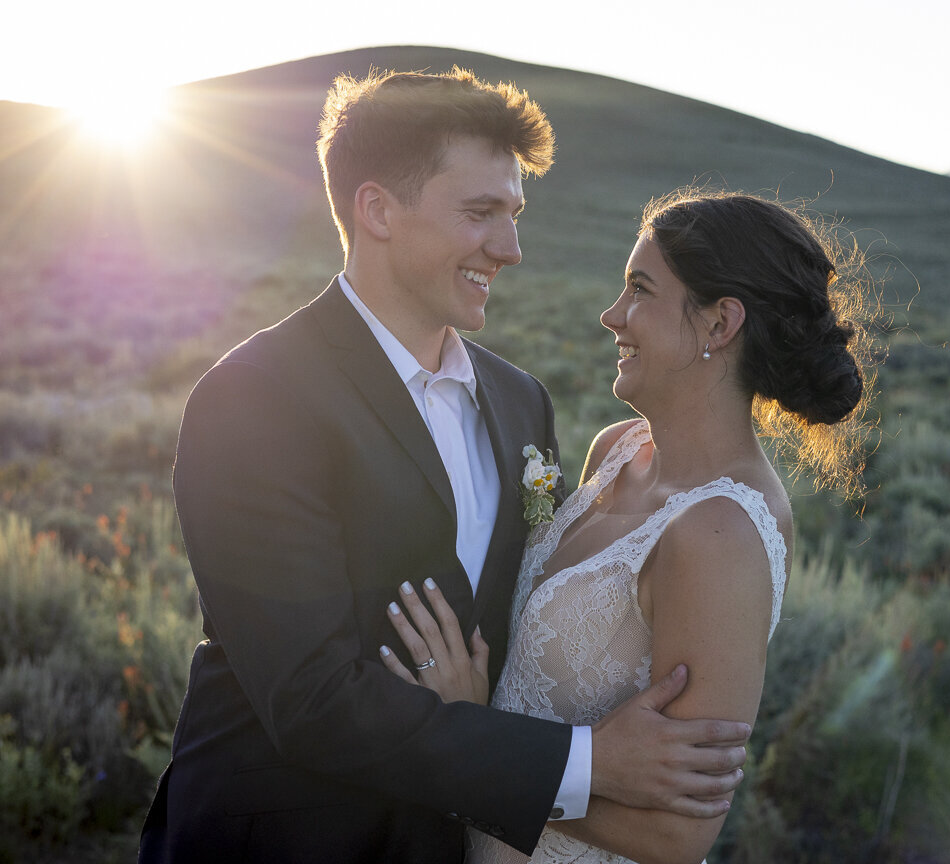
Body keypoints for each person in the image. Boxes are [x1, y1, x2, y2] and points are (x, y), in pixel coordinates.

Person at [137, 70, 752, 864]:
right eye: (480, 213)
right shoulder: (252, 399)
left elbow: (532, 608)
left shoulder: (520, 401)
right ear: (377, 210)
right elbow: (310, 699)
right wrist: (589, 761)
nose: (512, 248)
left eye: (515, 215)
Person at [381, 189, 876, 864]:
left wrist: (469, 744)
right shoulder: (617, 450)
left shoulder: (720, 535)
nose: (612, 316)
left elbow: (678, 833)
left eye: (640, 290)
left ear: (719, 323)